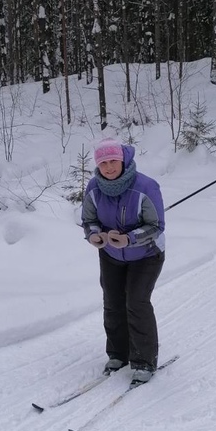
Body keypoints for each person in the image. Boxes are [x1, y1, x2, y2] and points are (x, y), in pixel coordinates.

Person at [81, 139, 165, 382]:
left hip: (147, 255)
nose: (108, 167)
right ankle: (118, 353)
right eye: (103, 163)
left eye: (113, 161)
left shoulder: (145, 187)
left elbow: (156, 226)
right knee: (113, 302)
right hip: (110, 254)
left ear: (123, 161)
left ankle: (144, 360)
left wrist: (129, 239)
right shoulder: (94, 188)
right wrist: (94, 235)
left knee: (136, 302)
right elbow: (88, 219)